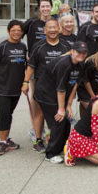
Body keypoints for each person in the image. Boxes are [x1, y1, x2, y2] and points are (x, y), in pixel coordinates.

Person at [34, 41, 88, 163]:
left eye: (84, 53)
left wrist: (68, 105)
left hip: (59, 94)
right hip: (46, 94)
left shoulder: (80, 65)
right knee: (58, 120)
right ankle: (50, 154)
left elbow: (74, 85)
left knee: (66, 121)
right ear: (72, 51)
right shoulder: (64, 64)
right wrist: (61, 108)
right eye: (79, 52)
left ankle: (60, 148)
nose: (81, 54)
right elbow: (61, 89)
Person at [22, 18, 71, 153]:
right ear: (45, 30)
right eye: (49, 28)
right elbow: (31, 66)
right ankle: (38, 140)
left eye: (55, 27)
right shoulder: (38, 46)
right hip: (42, 86)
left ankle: (55, 139)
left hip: (60, 86)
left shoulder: (66, 46)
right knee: (40, 112)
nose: (53, 30)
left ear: (59, 29)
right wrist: (25, 82)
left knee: (59, 114)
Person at [0, 20, 27, 156]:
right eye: (13, 30)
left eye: (19, 30)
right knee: (4, 114)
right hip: (2, 88)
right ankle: (2, 142)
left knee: (9, 114)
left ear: (22, 33)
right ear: (8, 31)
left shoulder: (23, 47)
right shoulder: (2, 47)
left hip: (15, 88)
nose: (16, 33)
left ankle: (6, 139)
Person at [64, 75, 98, 167]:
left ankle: (80, 149)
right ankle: (71, 149)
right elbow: (94, 126)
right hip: (80, 136)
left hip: (90, 136)